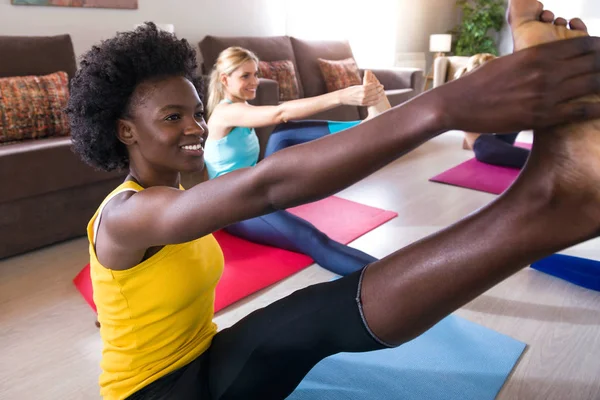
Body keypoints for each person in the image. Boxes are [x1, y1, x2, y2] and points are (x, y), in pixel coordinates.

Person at [66, 0, 600, 397]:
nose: (196, 127)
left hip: (203, 356)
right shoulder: (124, 215)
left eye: (196, 113)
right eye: (171, 118)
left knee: (301, 316)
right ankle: (546, 203)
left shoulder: (177, 193)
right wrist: (442, 107)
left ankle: (550, 200)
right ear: (125, 131)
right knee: (311, 316)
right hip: (155, 393)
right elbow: (265, 185)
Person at [202, 47, 392, 276]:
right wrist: (342, 96)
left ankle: (367, 127)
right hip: (235, 207)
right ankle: (388, 278)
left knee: (283, 133)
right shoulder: (224, 113)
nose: (254, 81)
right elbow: (280, 112)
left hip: (255, 188)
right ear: (225, 79)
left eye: (255, 74)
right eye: (245, 76)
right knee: (312, 239)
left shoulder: (242, 109)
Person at [455, 53, 531, 168]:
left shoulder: (491, 92)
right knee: (533, 159)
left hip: (497, 139)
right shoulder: (467, 96)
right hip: (483, 147)